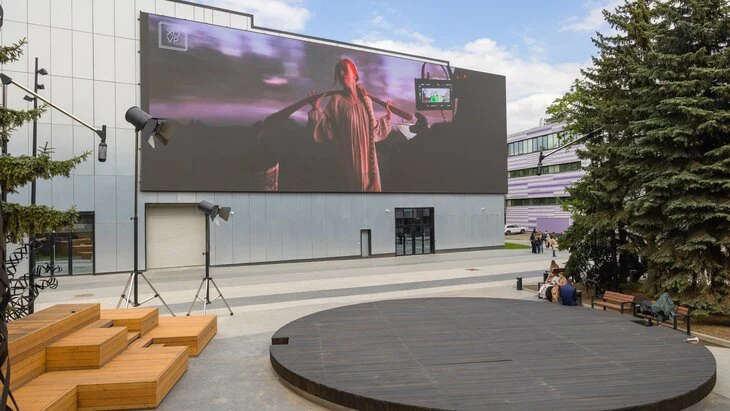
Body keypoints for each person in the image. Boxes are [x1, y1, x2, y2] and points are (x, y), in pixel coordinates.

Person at [308, 58, 392, 192]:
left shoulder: (367, 101)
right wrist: (316, 108)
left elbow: (374, 131)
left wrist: (387, 117)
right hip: (349, 163)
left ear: (355, 74)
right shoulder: (337, 101)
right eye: (338, 71)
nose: (341, 73)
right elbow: (328, 130)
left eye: (344, 69)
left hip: (370, 164)